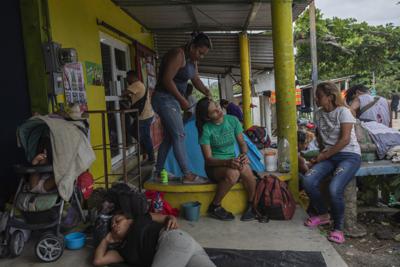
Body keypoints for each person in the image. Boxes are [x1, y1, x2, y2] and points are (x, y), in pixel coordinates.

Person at [302, 82, 361, 244]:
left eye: (319, 96)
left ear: (330, 97)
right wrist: (319, 155)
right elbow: (321, 138)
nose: (315, 98)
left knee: (334, 188)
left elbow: (345, 140)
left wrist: (323, 156)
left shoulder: (344, 112)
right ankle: (323, 215)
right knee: (308, 180)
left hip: (349, 155)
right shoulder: (319, 114)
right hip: (329, 156)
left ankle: (338, 229)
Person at [151, 32, 212, 183]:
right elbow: (166, 79)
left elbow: (195, 79)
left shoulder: (192, 60)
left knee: (170, 137)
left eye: (204, 54)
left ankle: (158, 172)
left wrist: (206, 90)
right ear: (192, 46)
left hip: (173, 101)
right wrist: (181, 99)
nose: (201, 57)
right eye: (200, 52)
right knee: (179, 135)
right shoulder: (178, 54)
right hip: (164, 98)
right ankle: (187, 175)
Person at [195, 97, 256, 221]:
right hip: (215, 167)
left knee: (246, 169)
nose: (219, 110)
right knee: (233, 173)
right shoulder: (206, 129)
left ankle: (251, 206)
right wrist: (227, 162)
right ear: (207, 117)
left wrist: (244, 154)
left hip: (232, 162)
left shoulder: (232, 120)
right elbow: (208, 159)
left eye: (217, 105)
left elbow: (242, 143)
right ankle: (215, 206)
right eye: (214, 111)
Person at [93, 213, 215, 267]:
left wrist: (171, 218)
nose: (114, 224)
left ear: (128, 220)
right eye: (112, 226)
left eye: (117, 220)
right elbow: (98, 261)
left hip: (171, 239)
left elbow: (167, 217)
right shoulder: (122, 251)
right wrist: (106, 240)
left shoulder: (141, 219)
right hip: (183, 251)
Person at [125, 70, 155, 164]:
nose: (127, 79)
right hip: (145, 115)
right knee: (133, 131)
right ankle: (145, 149)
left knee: (144, 136)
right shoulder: (140, 85)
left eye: (127, 77)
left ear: (132, 77)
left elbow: (124, 93)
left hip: (144, 116)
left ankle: (151, 157)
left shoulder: (136, 84)